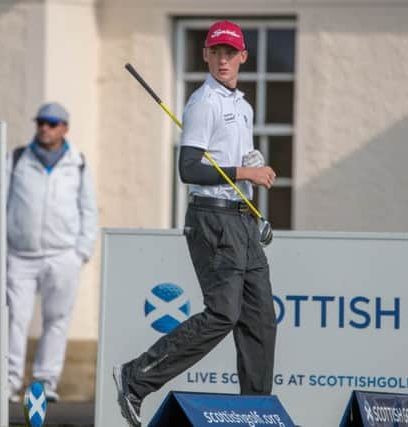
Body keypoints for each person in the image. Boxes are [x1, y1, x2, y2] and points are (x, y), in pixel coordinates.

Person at [113, 20, 278, 426]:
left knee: (259, 320)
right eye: (216, 52)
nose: (223, 60)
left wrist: (248, 166)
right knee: (223, 314)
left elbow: (229, 163)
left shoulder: (242, 105)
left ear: (243, 57)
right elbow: (188, 168)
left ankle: (255, 413)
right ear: (205, 55)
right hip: (212, 220)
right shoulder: (203, 102)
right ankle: (137, 377)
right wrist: (244, 172)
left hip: (241, 220)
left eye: (230, 52)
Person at [6, 102, 98, 403]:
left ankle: (45, 383)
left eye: (52, 123)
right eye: (41, 122)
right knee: (14, 319)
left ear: (65, 128)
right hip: (19, 255)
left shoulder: (78, 162)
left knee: (57, 319)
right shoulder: (17, 158)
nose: (45, 128)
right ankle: (9, 382)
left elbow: (88, 210)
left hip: (63, 256)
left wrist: (81, 252)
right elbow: (1, 200)